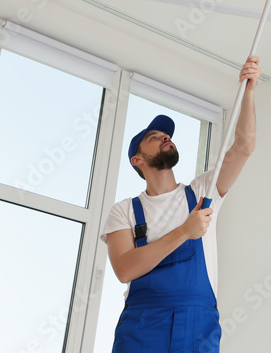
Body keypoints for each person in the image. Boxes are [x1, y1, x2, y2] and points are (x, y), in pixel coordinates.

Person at [100, 57, 260, 353]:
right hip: (142, 326)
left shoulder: (203, 191)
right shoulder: (124, 211)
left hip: (198, 326)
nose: (165, 137)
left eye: (166, 136)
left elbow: (244, 146)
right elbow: (124, 269)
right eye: (154, 137)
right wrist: (185, 231)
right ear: (137, 160)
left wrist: (249, 92)